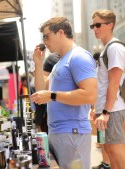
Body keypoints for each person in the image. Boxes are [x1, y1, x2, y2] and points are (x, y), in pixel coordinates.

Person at [30, 17, 97, 169]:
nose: (44, 42)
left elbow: (90, 95)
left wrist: (52, 95)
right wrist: (38, 64)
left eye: (47, 36)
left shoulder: (78, 56)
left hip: (72, 132)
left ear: (60, 32)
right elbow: (42, 93)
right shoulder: (60, 62)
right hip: (60, 132)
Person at [91, 9, 125, 169]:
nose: (95, 28)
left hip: (112, 110)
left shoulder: (114, 48)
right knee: (109, 151)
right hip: (105, 111)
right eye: (93, 25)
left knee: (116, 152)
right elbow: (102, 83)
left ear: (110, 24)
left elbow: (114, 83)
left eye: (98, 24)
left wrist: (105, 113)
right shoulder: (106, 49)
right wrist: (96, 108)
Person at [34, 53, 59, 133]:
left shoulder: (76, 57)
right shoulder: (52, 59)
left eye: (47, 39)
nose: (45, 42)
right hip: (49, 115)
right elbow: (41, 90)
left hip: (54, 117)